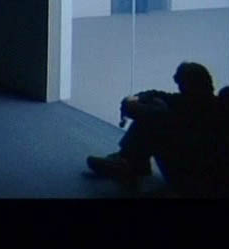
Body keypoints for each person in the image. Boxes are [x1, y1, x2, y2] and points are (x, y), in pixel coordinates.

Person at [86, 62, 220, 195]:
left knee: (153, 119)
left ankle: (127, 162)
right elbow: (156, 95)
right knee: (154, 112)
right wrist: (137, 100)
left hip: (193, 177)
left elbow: (156, 114)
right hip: (199, 173)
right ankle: (128, 162)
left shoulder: (194, 108)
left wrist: (133, 104)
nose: (179, 87)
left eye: (180, 83)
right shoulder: (202, 103)